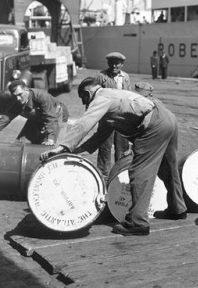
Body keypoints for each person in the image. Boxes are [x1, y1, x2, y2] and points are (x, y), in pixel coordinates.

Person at [40, 77, 187, 236]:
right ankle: (177, 209)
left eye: (84, 99)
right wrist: (73, 151)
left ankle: (137, 223)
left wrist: (62, 147)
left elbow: (83, 123)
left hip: (154, 125)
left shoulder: (102, 98)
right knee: (168, 168)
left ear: (88, 93)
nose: (85, 104)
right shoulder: (112, 98)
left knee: (140, 173)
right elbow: (99, 136)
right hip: (167, 117)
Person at [0, 79, 69, 145]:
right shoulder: (17, 104)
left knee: (55, 150)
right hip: (38, 120)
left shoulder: (41, 96)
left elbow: (51, 117)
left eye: (20, 94)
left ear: (27, 90)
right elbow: (3, 120)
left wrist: (50, 138)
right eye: (15, 96)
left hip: (57, 117)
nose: (17, 98)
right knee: (20, 145)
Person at [94, 52, 131, 179]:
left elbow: (129, 96)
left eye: (117, 63)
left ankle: (120, 173)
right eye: (112, 63)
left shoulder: (125, 77)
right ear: (108, 63)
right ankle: (103, 175)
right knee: (105, 147)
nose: (114, 66)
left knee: (122, 147)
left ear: (122, 64)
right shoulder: (101, 76)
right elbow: (94, 95)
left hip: (122, 118)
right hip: (106, 117)